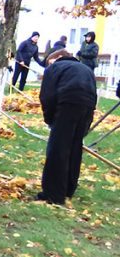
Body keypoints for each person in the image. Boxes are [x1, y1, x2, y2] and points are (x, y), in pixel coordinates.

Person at [38, 48, 97, 205]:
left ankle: (53, 194)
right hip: (86, 106)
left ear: (56, 58)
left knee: (58, 149)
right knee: (74, 147)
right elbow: (93, 97)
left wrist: (50, 119)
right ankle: (69, 189)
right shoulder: (86, 69)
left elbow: (47, 96)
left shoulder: (55, 67)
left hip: (67, 103)